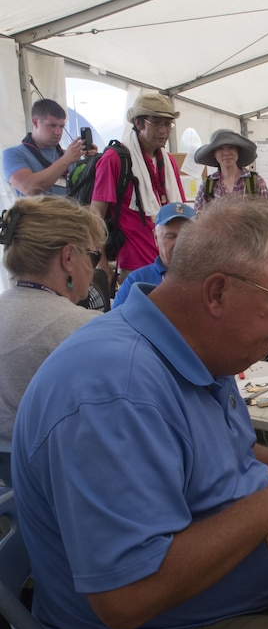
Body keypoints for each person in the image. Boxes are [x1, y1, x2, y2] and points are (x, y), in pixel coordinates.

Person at [11, 197, 268, 629]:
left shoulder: (196, 344)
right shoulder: (113, 392)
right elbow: (126, 599)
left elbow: (231, 455)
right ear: (217, 293)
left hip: (245, 581)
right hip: (169, 628)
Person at [0, 196, 105, 447]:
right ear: (68, 257)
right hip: (53, 474)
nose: (94, 267)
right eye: (93, 254)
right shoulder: (85, 328)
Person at [90, 93, 186, 284]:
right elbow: (94, 216)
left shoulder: (168, 162)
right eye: (157, 123)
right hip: (134, 267)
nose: (164, 130)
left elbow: (180, 212)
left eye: (168, 124)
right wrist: (101, 264)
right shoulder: (114, 159)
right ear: (139, 123)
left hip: (170, 264)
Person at [2, 98, 97, 197]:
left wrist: (91, 162)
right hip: (34, 212)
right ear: (35, 122)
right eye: (52, 126)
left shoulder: (69, 156)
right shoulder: (13, 154)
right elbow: (29, 188)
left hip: (70, 211)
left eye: (61, 127)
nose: (58, 132)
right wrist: (65, 160)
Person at [112, 201, 196, 308]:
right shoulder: (136, 281)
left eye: (186, 236)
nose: (179, 242)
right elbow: (116, 321)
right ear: (156, 238)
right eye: (171, 236)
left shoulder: (209, 279)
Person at [193, 128, 268, 213]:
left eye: (231, 147)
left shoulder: (256, 181)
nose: (226, 153)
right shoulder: (207, 185)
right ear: (214, 154)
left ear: (238, 151)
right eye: (220, 148)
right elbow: (198, 218)